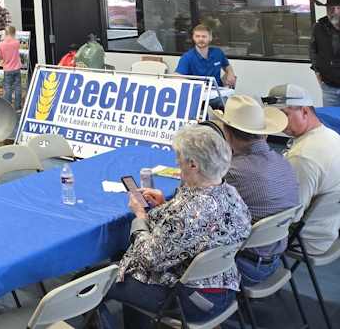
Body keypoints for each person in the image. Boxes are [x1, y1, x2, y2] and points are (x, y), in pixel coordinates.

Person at [100, 124, 251, 329]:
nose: (177, 164)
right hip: (226, 287)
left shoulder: (187, 213)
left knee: (92, 281)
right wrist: (165, 206)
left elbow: (147, 258)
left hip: (192, 300)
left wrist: (140, 215)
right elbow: (193, 230)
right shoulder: (232, 195)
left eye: (180, 159)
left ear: (193, 165)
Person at [211, 95, 299, 285]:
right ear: (263, 133)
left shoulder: (233, 172)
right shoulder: (283, 162)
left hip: (242, 266)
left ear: (227, 132)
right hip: (274, 259)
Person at [265, 84, 340, 255]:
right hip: (328, 229)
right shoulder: (331, 135)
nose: (280, 124)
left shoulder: (302, 157)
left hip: (305, 240)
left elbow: (291, 215)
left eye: (285, 115)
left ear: (305, 111)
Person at [175, 23, 237, 88]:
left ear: (210, 38)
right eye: (197, 36)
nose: (200, 39)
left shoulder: (218, 53)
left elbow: (227, 66)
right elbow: (176, 76)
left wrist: (230, 73)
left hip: (218, 92)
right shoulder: (187, 57)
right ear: (193, 37)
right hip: (198, 94)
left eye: (204, 36)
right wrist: (196, 86)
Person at [309, 0, 340, 106]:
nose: (335, 12)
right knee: (330, 122)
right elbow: (313, 50)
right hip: (329, 88)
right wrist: (317, 73)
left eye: (338, 7)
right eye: (331, 8)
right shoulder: (319, 27)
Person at [0, 26, 23, 108]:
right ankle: (18, 106)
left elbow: (0, 57)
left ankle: (8, 107)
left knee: (8, 88)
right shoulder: (17, 42)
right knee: (18, 87)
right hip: (16, 68)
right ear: (14, 33)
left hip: (7, 69)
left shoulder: (1, 44)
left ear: (5, 33)